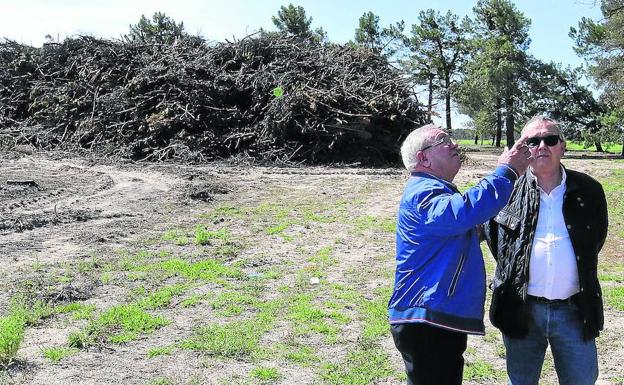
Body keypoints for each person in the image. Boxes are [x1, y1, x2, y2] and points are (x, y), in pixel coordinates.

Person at [388, 123, 532, 385]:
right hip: (426, 317)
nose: (454, 144)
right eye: (443, 140)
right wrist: (508, 171)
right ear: (424, 158)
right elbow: (462, 211)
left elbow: (458, 228)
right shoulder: (423, 193)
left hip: (433, 316)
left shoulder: (434, 191)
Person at [483, 116, 608, 385]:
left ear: (562, 147)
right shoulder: (506, 189)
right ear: (523, 148)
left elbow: (596, 240)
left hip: (575, 310)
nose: (542, 146)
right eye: (533, 141)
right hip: (521, 309)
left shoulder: (589, 190)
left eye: (550, 139)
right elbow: (497, 242)